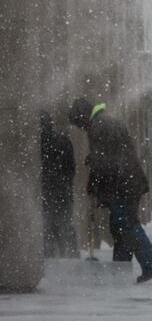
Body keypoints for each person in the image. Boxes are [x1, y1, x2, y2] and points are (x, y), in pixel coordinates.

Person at [68, 98, 152, 283]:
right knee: (120, 227)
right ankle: (120, 268)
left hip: (122, 185)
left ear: (83, 117)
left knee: (127, 223)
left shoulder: (99, 125)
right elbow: (111, 154)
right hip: (126, 182)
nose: (82, 129)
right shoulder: (103, 122)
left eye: (80, 124)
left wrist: (94, 182)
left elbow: (106, 161)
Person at [39, 110, 78, 258]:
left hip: (45, 191)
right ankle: (71, 259)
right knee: (66, 226)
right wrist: (65, 182)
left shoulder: (37, 143)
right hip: (63, 190)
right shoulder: (63, 140)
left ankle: (49, 261)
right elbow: (71, 168)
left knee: (47, 228)